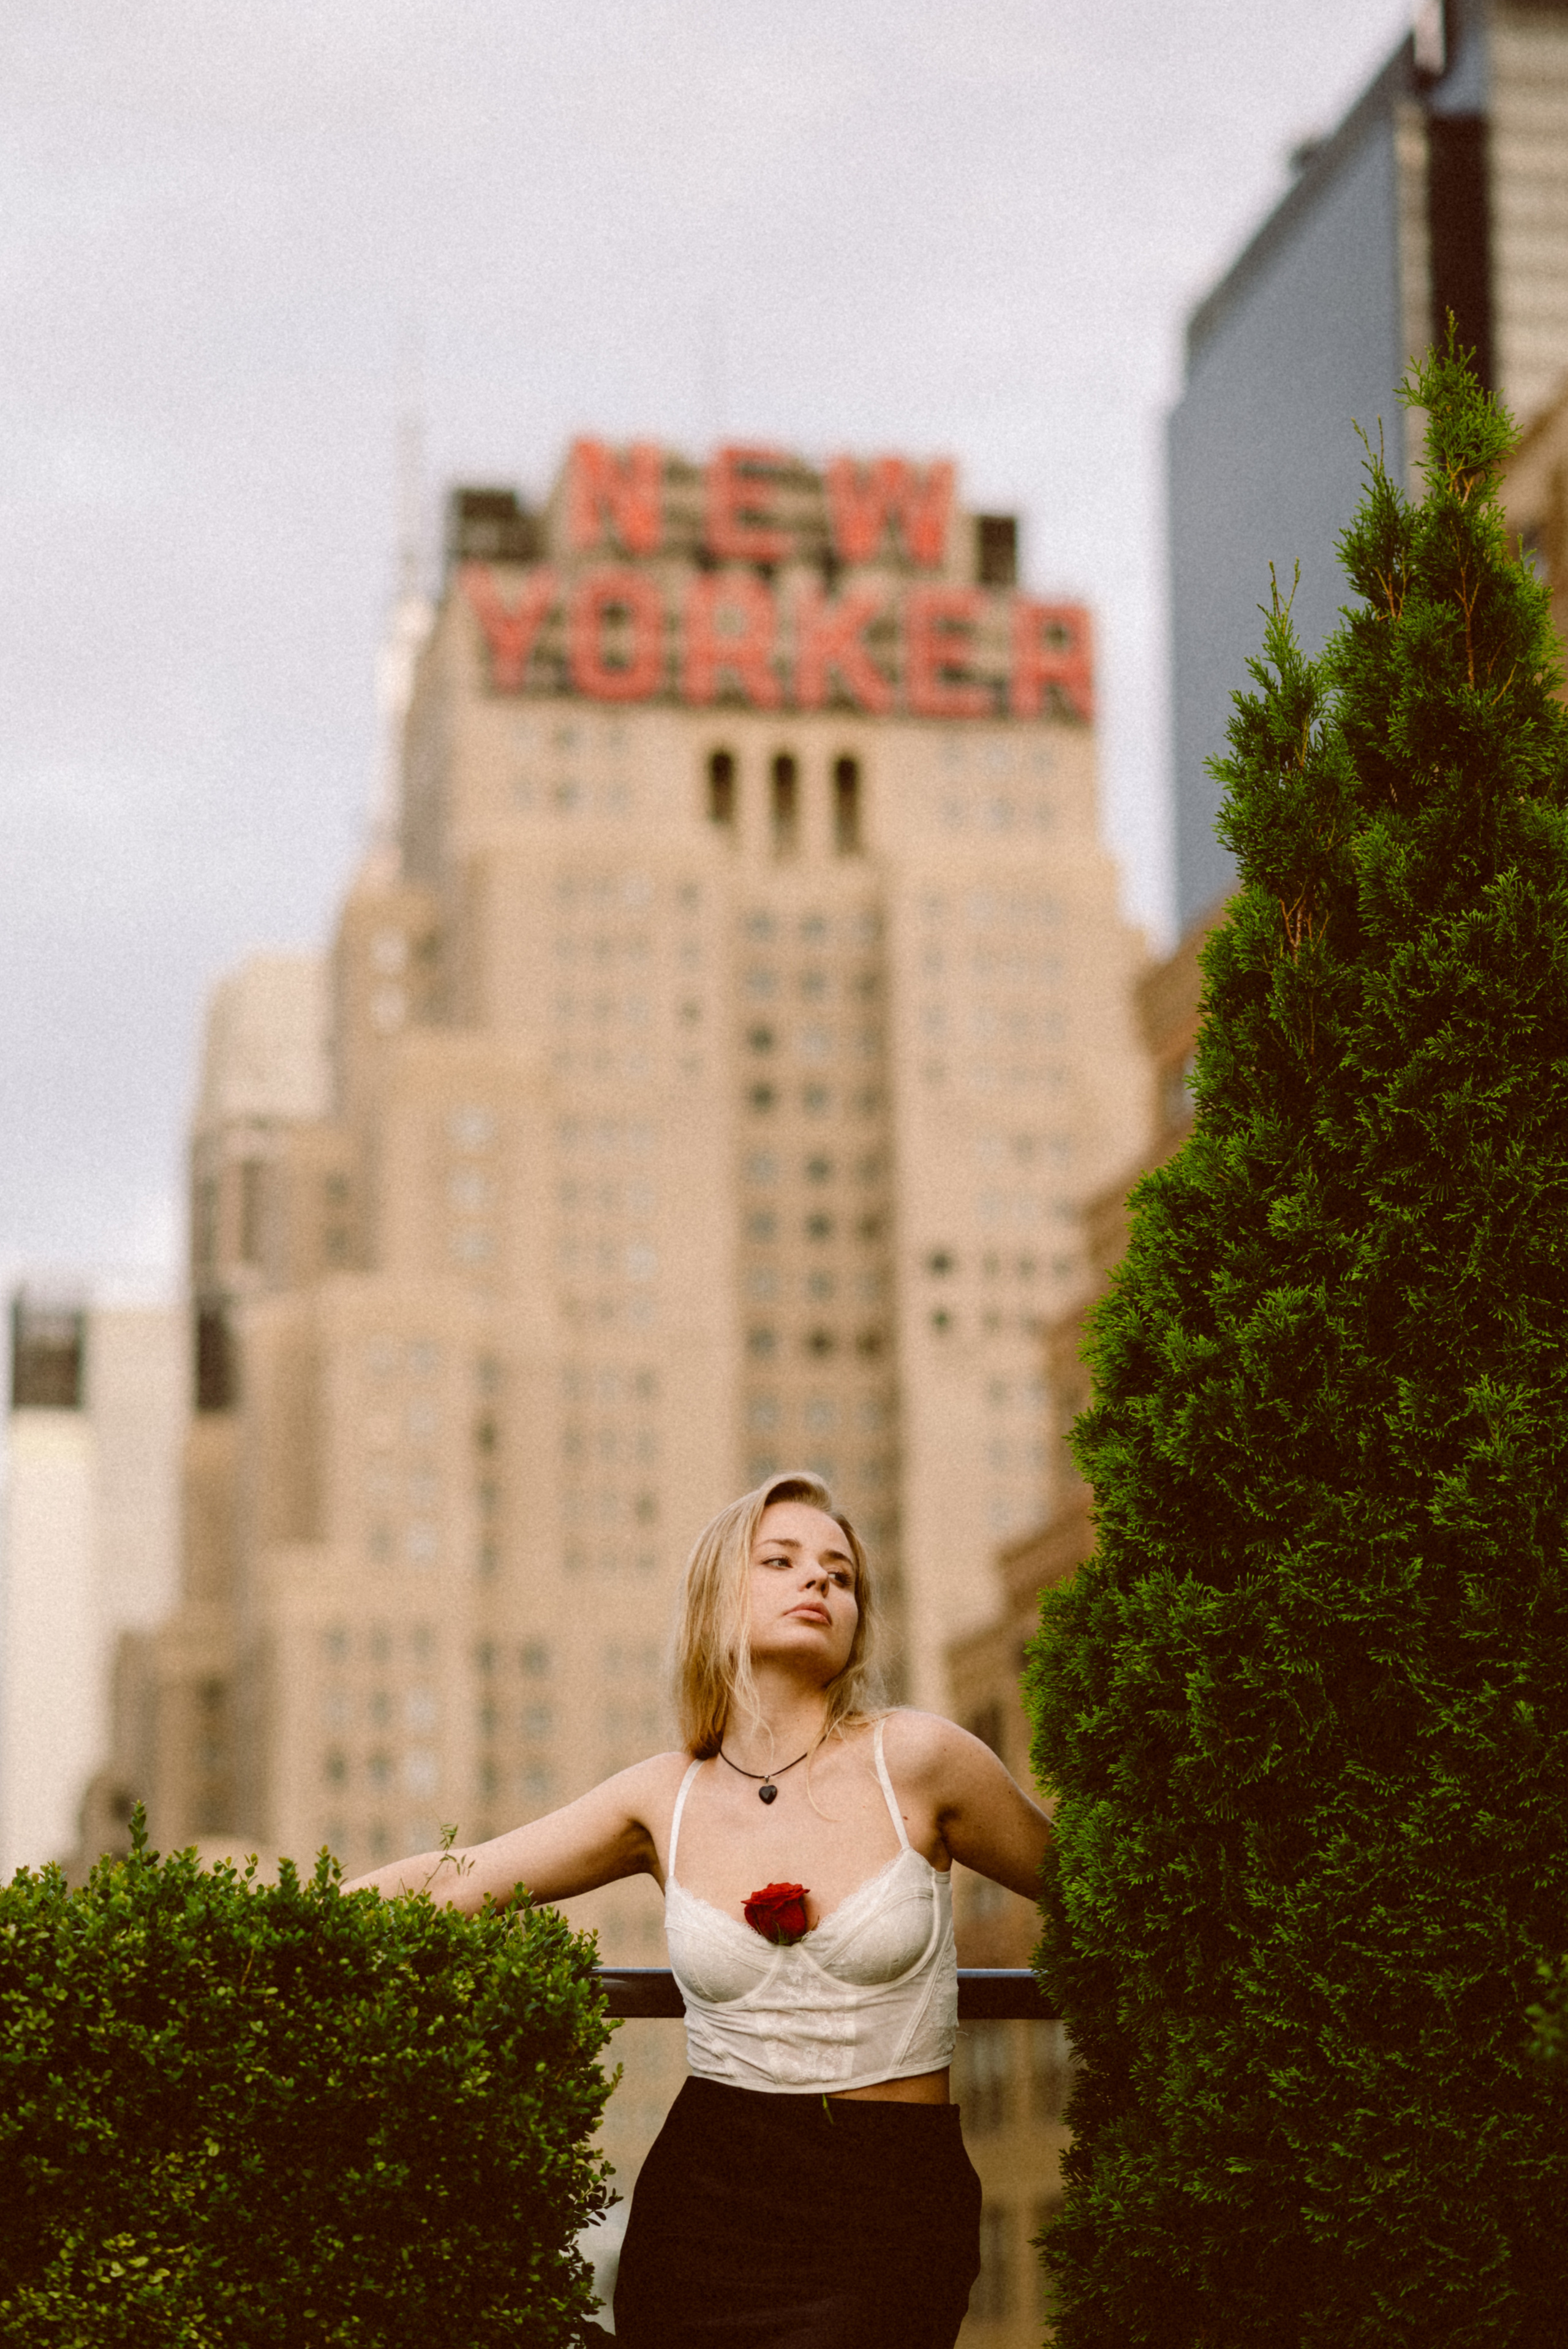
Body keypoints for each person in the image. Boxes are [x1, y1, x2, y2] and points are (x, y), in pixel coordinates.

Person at [346, 1470, 1054, 2347]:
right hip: (711, 2194)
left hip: (889, 2200)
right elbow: (460, 1880)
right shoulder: (664, 1795)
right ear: (720, 1595)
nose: (820, 1582)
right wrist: (278, 1920)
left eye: (841, 1574)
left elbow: (1099, 1891)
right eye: (783, 1559)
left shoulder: (920, 1759)